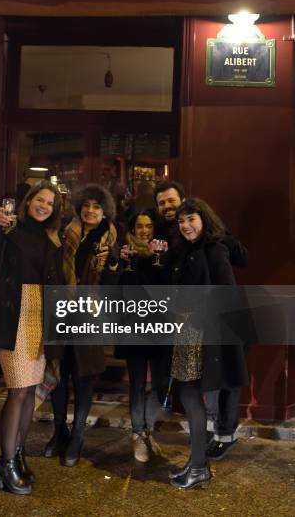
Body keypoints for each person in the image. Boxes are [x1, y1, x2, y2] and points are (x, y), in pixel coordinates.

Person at [0, 181, 64, 495]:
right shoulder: (9, 227)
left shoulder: (52, 238)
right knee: (17, 391)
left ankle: (18, 453)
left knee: (30, 392)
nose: (44, 206)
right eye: (40, 200)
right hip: (14, 316)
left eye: (50, 203)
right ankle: (6, 463)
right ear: (28, 202)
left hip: (39, 316)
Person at [154, 179, 248, 459]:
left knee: (221, 380)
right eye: (163, 204)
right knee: (202, 384)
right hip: (190, 327)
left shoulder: (214, 245)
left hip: (213, 325)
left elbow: (226, 287)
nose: (184, 223)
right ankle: (204, 439)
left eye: (190, 218)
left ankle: (222, 436)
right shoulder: (180, 242)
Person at [43, 183, 118, 467]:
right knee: (58, 371)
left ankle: (77, 435)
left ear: (104, 211)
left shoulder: (109, 239)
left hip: (91, 314)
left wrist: (111, 265)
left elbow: (114, 285)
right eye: (86, 205)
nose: (90, 210)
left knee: (83, 375)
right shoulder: (64, 232)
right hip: (60, 310)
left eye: (96, 206)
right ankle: (59, 431)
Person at [116, 209, 170, 462]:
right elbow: (118, 291)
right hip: (133, 325)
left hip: (159, 326)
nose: (144, 230)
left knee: (161, 383)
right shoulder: (125, 252)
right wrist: (120, 264)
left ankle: (148, 430)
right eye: (140, 226)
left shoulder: (163, 253)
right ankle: (139, 433)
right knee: (137, 384)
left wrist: (161, 259)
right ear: (133, 227)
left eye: (148, 226)